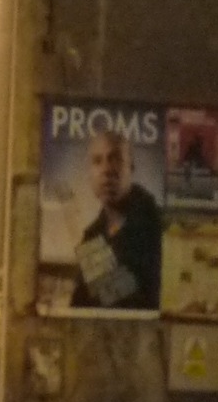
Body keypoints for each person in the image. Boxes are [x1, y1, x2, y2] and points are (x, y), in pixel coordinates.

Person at [69, 129, 163, 310]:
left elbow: (128, 301)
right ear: (90, 172)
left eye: (115, 159)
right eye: (97, 161)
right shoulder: (92, 236)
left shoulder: (157, 224)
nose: (106, 170)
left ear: (131, 168)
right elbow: (78, 306)